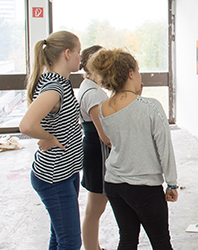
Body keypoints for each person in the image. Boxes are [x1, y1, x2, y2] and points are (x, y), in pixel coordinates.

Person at [90, 48, 178, 250]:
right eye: (138, 71)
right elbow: (165, 148)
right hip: (144, 187)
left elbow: (118, 138)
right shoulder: (151, 106)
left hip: (114, 184)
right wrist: (171, 183)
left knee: (128, 239)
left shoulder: (104, 107)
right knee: (161, 242)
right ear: (130, 73)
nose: (140, 76)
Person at [19, 30, 84, 250]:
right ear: (67, 53)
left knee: (60, 238)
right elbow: (26, 125)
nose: (80, 57)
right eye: (78, 52)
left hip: (67, 172)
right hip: (55, 178)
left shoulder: (61, 82)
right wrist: (50, 137)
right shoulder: (54, 87)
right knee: (71, 243)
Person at [77, 45, 110, 250]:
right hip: (98, 153)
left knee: (93, 208)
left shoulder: (86, 87)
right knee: (95, 209)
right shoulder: (94, 94)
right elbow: (105, 135)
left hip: (92, 149)